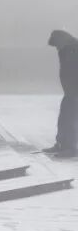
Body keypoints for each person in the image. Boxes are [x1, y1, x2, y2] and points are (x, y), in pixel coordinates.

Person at [45, 30, 78, 160]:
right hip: (70, 92)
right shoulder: (66, 49)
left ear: (61, 41)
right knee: (64, 118)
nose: (57, 48)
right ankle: (61, 144)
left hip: (74, 92)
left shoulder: (73, 50)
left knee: (70, 120)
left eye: (57, 46)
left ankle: (70, 148)